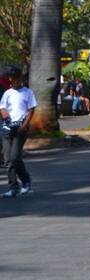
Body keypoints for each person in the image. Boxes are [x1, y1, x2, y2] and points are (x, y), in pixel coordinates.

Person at [1, 67, 36, 196]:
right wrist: (4, 113)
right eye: (12, 78)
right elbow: (2, 107)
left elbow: (31, 110)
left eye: (16, 78)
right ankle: (13, 188)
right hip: (7, 129)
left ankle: (26, 181)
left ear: (20, 78)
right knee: (7, 160)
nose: (13, 80)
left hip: (20, 128)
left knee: (15, 157)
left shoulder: (28, 92)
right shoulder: (7, 93)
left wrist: (24, 126)